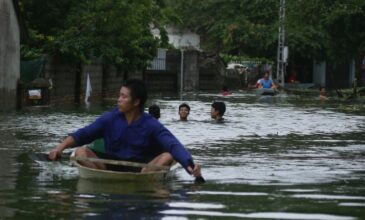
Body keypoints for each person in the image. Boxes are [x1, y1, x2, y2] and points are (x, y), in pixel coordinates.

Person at [48, 79, 202, 178]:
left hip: (142, 169)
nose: (119, 100)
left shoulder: (151, 125)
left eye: (123, 97)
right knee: (81, 152)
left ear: (136, 102)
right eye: (119, 96)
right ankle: (104, 179)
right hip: (109, 165)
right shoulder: (109, 119)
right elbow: (82, 135)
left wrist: (190, 166)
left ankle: (141, 181)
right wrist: (59, 148)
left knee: (168, 155)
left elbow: (172, 145)